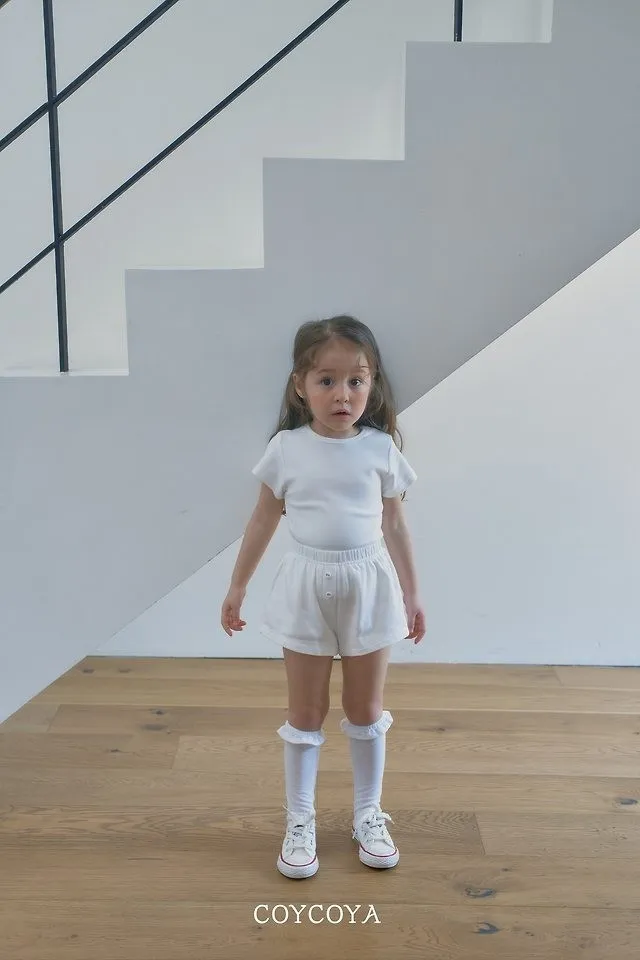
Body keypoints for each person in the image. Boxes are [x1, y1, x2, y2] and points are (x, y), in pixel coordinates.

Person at [220, 314, 426, 879]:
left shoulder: (380, 449)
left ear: (372, 383)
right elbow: (263, 520)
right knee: (305, 712)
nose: (342, 395)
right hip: (306, 587)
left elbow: (395, 525)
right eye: (327, 380)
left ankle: (368, 814)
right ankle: (300, 820)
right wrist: (237, 585)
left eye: (356, 381)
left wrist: (413, 594)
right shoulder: (286, 449)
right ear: (300, 385)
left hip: (369, 586)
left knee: (366, 710)